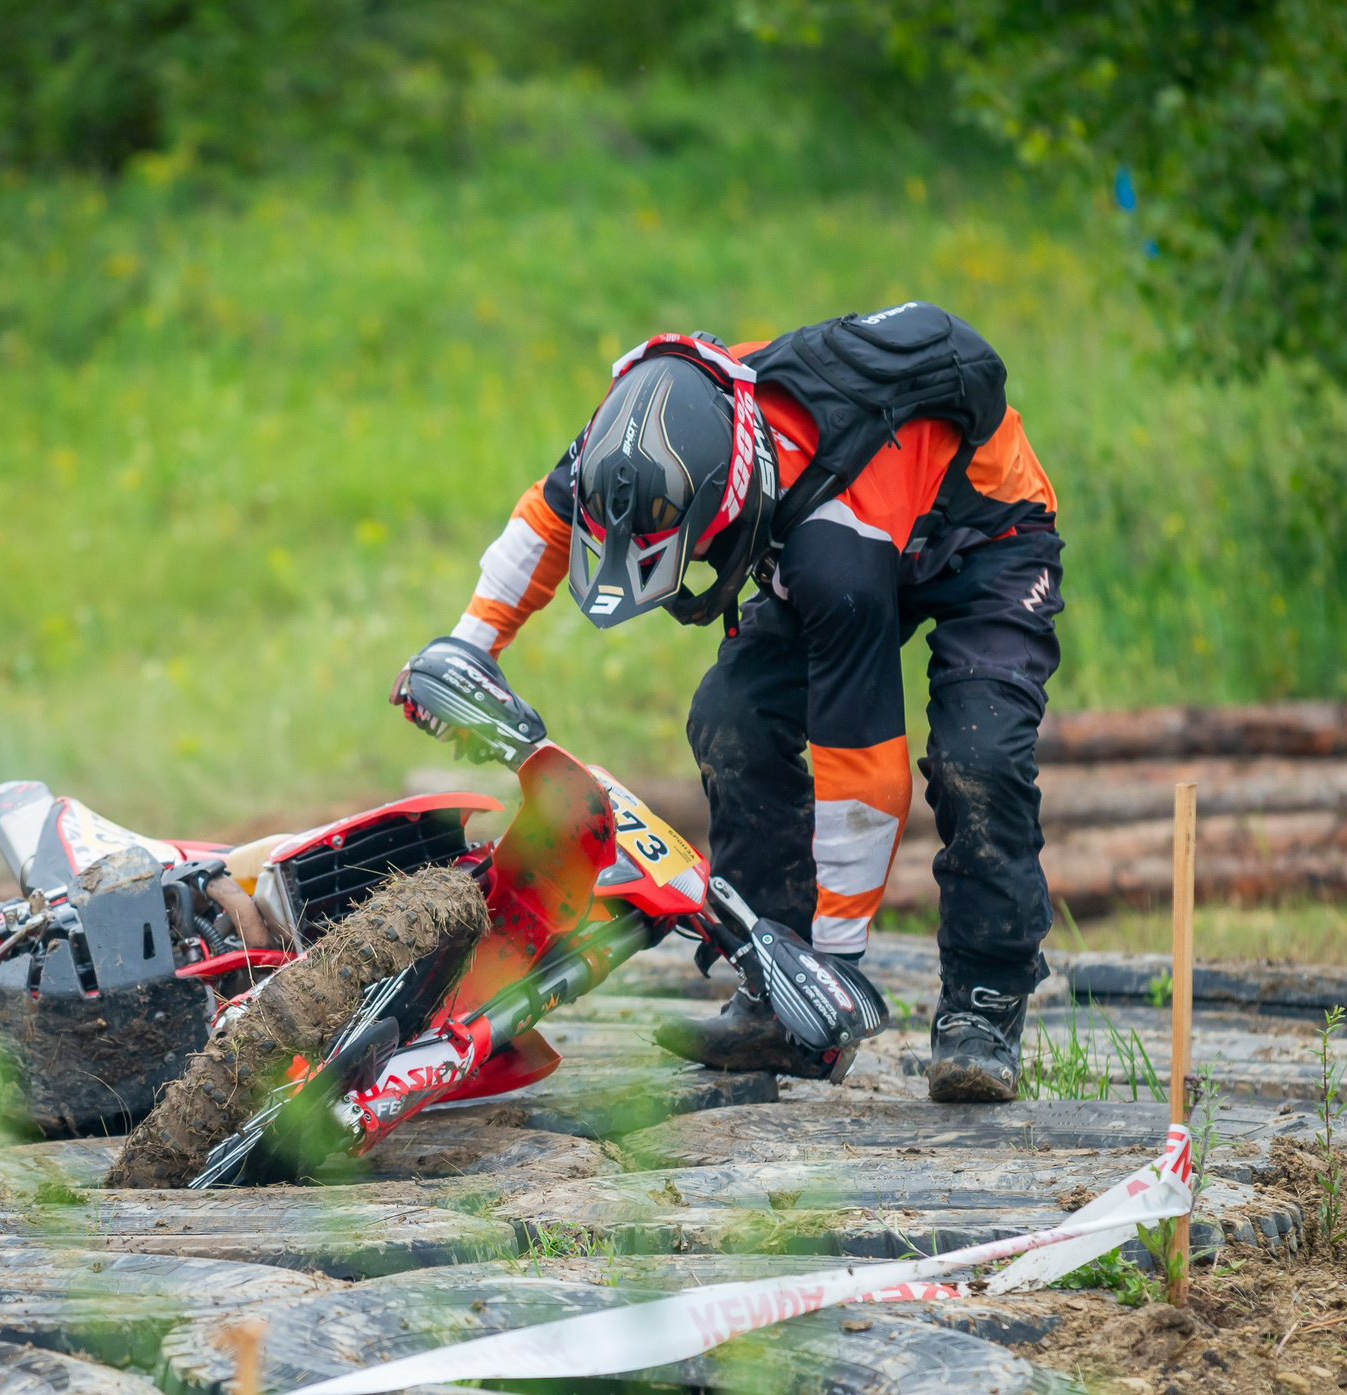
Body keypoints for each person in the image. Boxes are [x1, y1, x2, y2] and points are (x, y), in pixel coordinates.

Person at [390, 304, 1061, 1102]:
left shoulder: (834, 559)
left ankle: (981, 1008)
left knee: (976, 757)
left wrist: (837, 964)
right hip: (824, 517)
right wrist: (470, 645)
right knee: (731, 719)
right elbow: (550, 514)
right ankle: (770, 989)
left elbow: (867, 775)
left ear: (726, 499)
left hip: (984, 540)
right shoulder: (644, 425)